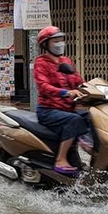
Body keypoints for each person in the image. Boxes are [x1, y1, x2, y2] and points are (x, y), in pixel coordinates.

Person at [33, 26, 87, 176]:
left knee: (92, 117)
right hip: (48, 110)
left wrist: (88, 89)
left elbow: (78, 80)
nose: (60, 43)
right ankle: (61, 159)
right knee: (74, 120)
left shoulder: (65, 61)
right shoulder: (41, 62)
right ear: (46, 44)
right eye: (55, 41)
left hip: (67, 109)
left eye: (61, 40)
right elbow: (43, 86)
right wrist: (65, 92)